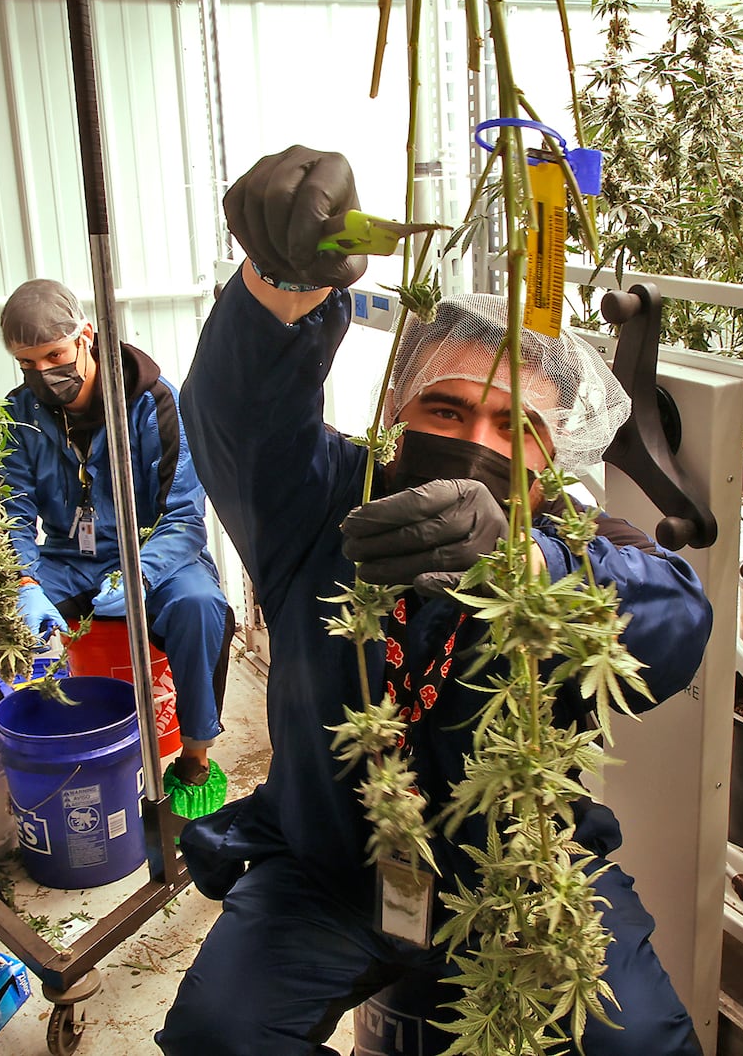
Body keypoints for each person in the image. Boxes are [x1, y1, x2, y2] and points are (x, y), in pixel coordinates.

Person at [157, 146, 712, 1055]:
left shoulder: (574, 544)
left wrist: (526, 566)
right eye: (447, 410)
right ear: (401, 408)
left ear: (555, 451)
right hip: (329, 865)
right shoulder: (323, 500)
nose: (474, 440)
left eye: (511, 425)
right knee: (218, 1034)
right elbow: (242, 419)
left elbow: (676, 620)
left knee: (640, 1041)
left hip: (521, 876)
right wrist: (280, 284)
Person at [0, 279, 235, 811]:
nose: (42, 373)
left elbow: (185, 519)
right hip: (62, 560)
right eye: (26, 363)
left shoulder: (155, 403)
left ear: (87, 336)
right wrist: (26, 581)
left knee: (202, 606)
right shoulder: (19, 413)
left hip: (157, 556)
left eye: (53, 355)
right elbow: (11, 514)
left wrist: (139, 573)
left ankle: (194, 754)